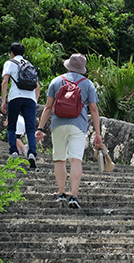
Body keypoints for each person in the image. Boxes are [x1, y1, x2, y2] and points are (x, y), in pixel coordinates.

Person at [35, 53, 102, 209]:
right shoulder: (87, 84)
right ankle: (74, 196)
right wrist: (98, 133)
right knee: (75, 160)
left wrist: (40, 128)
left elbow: (48, 107)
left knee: (60, 159)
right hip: (78, 125)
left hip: (58, 124)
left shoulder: (56, 81)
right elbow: (93, 109)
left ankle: (61, 193)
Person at [0, 42, 40, 168]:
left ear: (11, 53)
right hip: (30, 99)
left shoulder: (9, 63)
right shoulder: (29, 64)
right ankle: (32, 153)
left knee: (12, 126)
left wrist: (3, 101)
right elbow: (37, 86)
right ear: (23, 53)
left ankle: (14, 152)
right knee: (30, 128)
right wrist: (35, 100)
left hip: (15, 97)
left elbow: (5, 82)